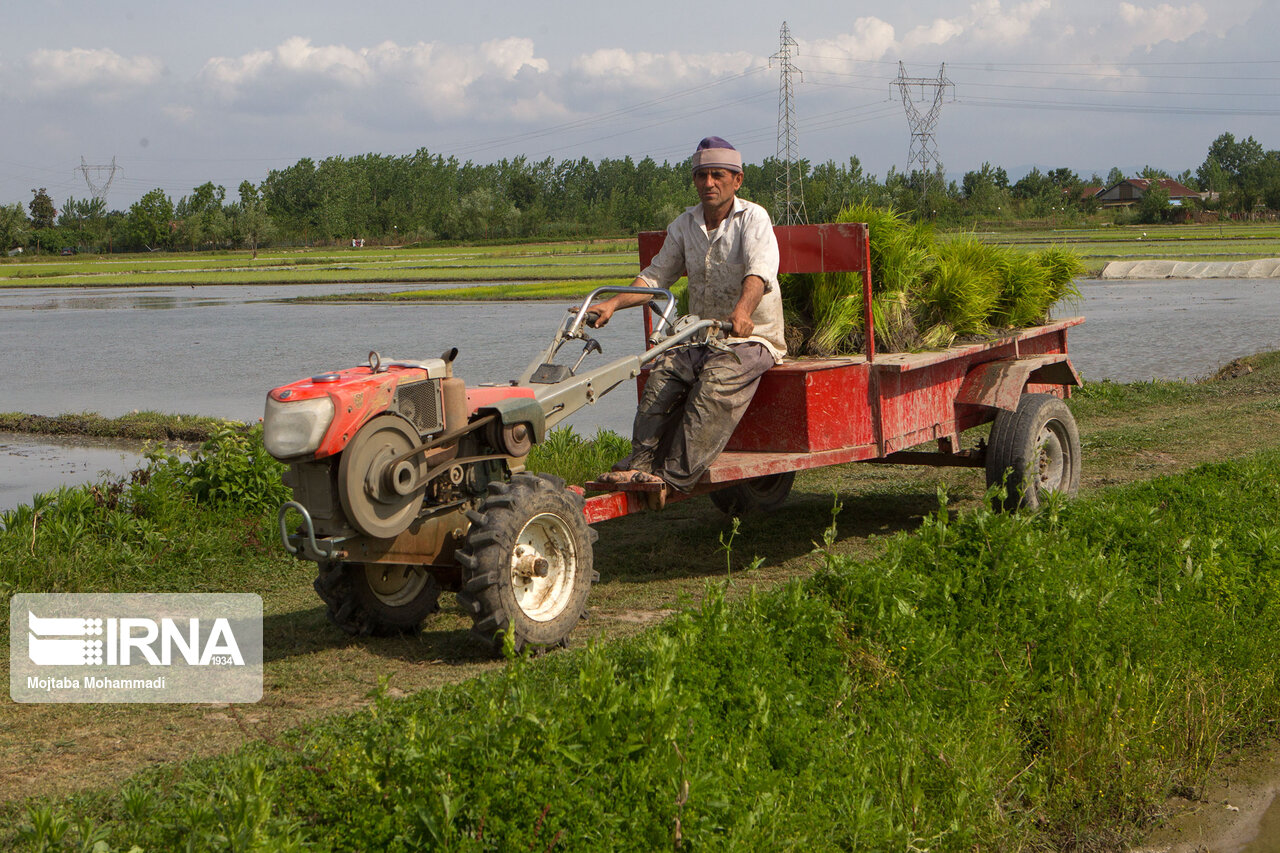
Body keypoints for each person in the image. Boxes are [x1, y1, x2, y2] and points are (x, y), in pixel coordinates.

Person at [588, 136, 784, 496]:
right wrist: (612, 303)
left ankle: (673, 478)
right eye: (701, 176)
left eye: (717, 175)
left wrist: (742, 312)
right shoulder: (685, 224)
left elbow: (759, 272)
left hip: (750, 338)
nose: (709, 183)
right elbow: (655, 276)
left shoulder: (753, 218)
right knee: (661, 374)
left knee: (715, 383)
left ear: (737, 180)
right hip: (703, 336)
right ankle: (639, 465)